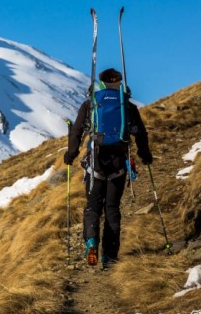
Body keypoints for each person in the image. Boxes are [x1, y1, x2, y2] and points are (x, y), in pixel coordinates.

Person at [64, 68, 153, 269]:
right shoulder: (127, 107)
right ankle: (109, 257)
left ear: (101, 83)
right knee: (112, 207)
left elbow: (77, 131)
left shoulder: (91, 104)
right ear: (119, 83)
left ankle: (91, 241)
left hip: (95, 161)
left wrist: (70, 154)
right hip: (118, 164)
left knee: (93, 206)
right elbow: (141, 134)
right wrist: (145, 155)